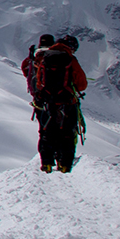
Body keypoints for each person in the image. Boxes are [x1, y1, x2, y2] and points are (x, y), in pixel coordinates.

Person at [31, 34, 87, 173]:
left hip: (49, 102)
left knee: (47, 132)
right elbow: (82, 83)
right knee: (68, 132)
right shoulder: (70, 59)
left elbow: (39, 81)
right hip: (68, 101)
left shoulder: (45, 58)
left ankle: (47, 163)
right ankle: (65, 164)